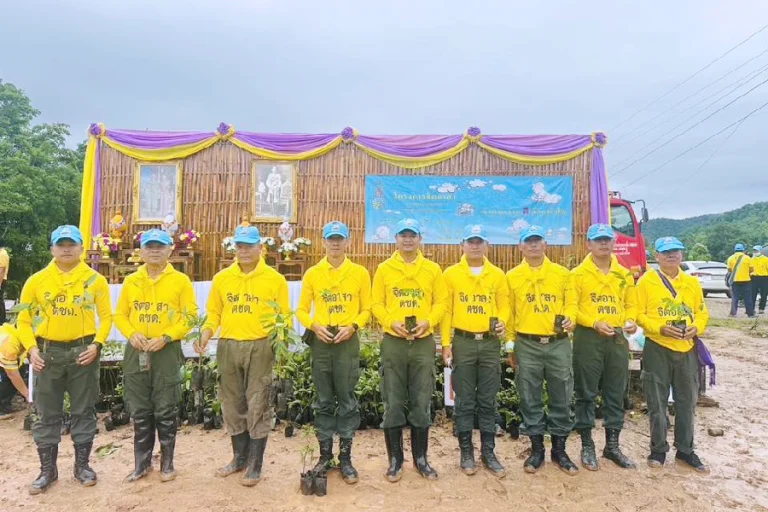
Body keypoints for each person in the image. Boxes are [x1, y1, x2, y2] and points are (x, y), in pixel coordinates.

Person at [18, 225, 112, 494]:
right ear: (52, 249)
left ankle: (82, 466)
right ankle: (47, 470)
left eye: (72, 244)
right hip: (47, 355)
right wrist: (31, 349)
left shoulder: (95, 280)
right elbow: (23, 320)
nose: (67, 249)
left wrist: (97, 344)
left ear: (82, 248)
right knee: (47, 413)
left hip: (84, 353)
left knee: (84, 410)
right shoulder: (37, 281)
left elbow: (107, 317)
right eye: (61, 244)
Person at [194, 225, 289, 487]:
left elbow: (282, 317)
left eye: (249, 245)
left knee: (258, 401)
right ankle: (239, 458)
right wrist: (205, 334)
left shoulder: (274, 279)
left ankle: (255, 464)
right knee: (231, 402)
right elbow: (214, 313)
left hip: (261, 346)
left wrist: (280, 348)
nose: (244, 250)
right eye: (240, 246)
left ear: (261, 248)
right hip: (228, 345)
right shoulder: (222, 278)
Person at [114, 229, 197, 483]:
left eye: (159, 247)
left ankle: (167, 463)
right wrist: (131, 333)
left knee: (165, 407)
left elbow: (190, 316)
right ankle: (142, 463)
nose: (154, 251)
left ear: (170, 250)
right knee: (140, 409)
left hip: (166, 351)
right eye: (149, 246)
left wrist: (168, 336)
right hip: (136, 350)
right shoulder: (131, 281)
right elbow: (120, 315)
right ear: (140, 251)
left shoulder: (180, 281)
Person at [371, 218, 448, 482]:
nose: (407, 239)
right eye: (403, 235)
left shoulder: (432, 270)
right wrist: (390, 321)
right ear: (396, 239)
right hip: (394, 342)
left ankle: (421, 459)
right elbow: (376, 303)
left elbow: (441, 303)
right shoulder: (384, 269)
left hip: (423, 343)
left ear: (419, 239)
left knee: (421, 400)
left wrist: (429, 322)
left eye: (412, 235)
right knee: (393, 401)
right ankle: (395, 461)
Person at [296, 221, 371, 484]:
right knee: (324, 400)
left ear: (348, 241)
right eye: (331, 238)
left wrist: (354, 326)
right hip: (321, 342)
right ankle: (325, 456)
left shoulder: (359, 273)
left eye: (340, 238)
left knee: (347, 398)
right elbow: (301, 310)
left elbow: (367, 308)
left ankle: (346, 459)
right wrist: (313, 326)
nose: (335, 243)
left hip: (347, 342)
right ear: (323, 242)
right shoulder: (313, 273)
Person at [505, 225, 578, 475]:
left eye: (537, 240)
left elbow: (572, 304)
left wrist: (570, 318)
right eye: (529, 241)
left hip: (558, 343)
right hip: (527, 344)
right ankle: (537, 450)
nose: (533, 245)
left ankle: (559, 450)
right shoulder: (512, 277)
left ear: (545, 244)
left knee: (562, 395)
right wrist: (510, 344)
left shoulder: (562, 274)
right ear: (521, 247)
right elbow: (509, 313)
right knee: (529, 396)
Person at [440, 225, 509, 478]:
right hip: (463, 342)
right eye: (471, 241)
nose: (475, 246)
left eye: (480, 241)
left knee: (488, 400)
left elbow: (504, 306)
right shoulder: (451, 274)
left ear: (487, 246)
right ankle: (466, 452)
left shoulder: (497, 275)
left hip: (490, 343)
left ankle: (488, 452)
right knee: (464, 399)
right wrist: (446, 344)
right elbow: (447, 311)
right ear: (462, 245)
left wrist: (502, 321)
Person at [637, 237, 710, 473]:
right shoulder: (647, 281)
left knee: (687, 401)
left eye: (676, 251)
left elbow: (702, 312)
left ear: (682, 255)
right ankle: (658, 449)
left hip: (686, 349)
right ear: (656, 256)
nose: (671, 255)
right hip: (657, 347)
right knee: (657, 401)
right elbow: (638, 314)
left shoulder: (691, 282)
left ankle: (686, 450)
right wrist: (659, 328)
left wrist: (696, 327)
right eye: (666, 252)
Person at [571, 224, 637, 471]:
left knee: (615, 392)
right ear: (588, 244)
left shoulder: (624, 274)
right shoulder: (577, 274)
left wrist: (630, 321)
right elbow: (572, 309)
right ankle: (587, 445)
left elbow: (631, 304)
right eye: (598, 240)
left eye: (607, 239)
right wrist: (594, 322)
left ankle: (612, 445)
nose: (603, 244)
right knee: (586, 393)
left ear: (613, 243)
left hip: (617, 338)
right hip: (588, 337)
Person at [0, 322, 29, 419]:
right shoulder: (9, 344)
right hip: (4, 357)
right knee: (6, 379)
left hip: (4, 358)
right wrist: (27, 394)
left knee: (21, 370)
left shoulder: (14, 331)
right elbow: (12, 374)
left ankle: (4, 403)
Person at [726, 243, 755, 318]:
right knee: (747, 298)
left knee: (735, 297)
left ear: (735, 249)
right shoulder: (747, 258)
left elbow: (729, 270)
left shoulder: (730, 258)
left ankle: (733, 314)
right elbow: (751, 269)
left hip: (735, 281)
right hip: (746, 280)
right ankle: (750, 314)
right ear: (743, 250)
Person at [751, 245, 768, 315]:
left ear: (760, 251)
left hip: (764, 278)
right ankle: (751, 308)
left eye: (756, 250)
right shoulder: (751, 259)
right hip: (754, 278)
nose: (755, 252)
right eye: (754, 250)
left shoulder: (766, 259)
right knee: (752, 294)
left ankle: (761, 308)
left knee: (764, 294)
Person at [0, 239, 8, 324]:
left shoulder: (2, 254)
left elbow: (2, 269)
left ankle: (2, 320)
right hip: (2, 278)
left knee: (0, 300)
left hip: (1, 279)